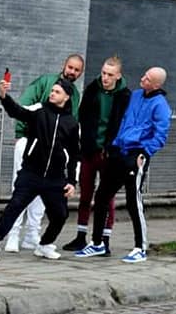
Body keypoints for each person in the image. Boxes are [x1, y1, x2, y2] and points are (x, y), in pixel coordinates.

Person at [75, 67, 171, 263]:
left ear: (157, 84)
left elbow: (161, 134)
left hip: (136, 155)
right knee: (101, 196)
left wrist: (145, 152)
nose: (142, 79)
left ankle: (140, 247)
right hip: (118, 151)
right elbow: (123, 119)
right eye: (144, 75)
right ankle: (98, 243)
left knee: (133, 200)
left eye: (148, 78)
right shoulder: (135, 95)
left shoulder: (160, 105)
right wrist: (114, 143)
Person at [0, 76, 80, 261]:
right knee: (15, 206)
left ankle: (44, 245)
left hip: (54, 178)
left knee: (60, 214)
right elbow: (17, 112)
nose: (52, 93)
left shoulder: (72, 124)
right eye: (52, 91)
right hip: (31, 173)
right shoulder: (39, 111)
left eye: (57, 92)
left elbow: (75, 155)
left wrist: (71, 182)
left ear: (66, 97)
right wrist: (4, 96)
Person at [5, 54, 84, 252]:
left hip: (53, 151)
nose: (72, 72)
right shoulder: (45, 81)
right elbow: (25, 105)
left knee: (43, 193)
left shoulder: (74, 94)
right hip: (31, 144)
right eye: (70, 67)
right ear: (63, 66)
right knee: (21, 190)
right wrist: (22, 133)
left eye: (76, 70)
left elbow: (69, 121)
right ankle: (13, 235)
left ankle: (32, 234)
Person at [62, 56, 131, 255]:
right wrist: (85, 143)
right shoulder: (93, 89)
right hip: (89, 150)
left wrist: (114, 147)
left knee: (106, 197)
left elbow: (123, 123)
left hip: (110, 152)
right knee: (85, 193)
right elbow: (83, 115)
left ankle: (103, 239)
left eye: (110, 75)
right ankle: (81, 235)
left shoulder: (125, 96)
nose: (106, 78)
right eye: (103, 73)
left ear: (118, 76)